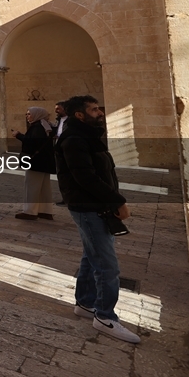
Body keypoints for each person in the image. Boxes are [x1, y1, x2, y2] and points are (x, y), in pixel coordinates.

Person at [56, 95, 139, 344]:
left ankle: (84, 303)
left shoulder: (87, 136)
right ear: (80, 114)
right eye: (94, 109)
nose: (100, 112)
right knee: (107, 265)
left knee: (91, 256)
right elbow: (86, 178)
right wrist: (117, 200)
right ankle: (104, 316)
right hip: (88, 207)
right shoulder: (74, 139)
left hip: (93, 205)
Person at [11, 106, 56, 221]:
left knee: (32, 187)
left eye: (29, 114)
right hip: (44, 161)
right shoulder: (46, 126)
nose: (27, 116)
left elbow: (31, 142)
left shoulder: (37, 127)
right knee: (44, 188)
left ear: (37, 115)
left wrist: (18, 135)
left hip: (36, 162)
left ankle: (30, 212)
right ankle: (45, 211)